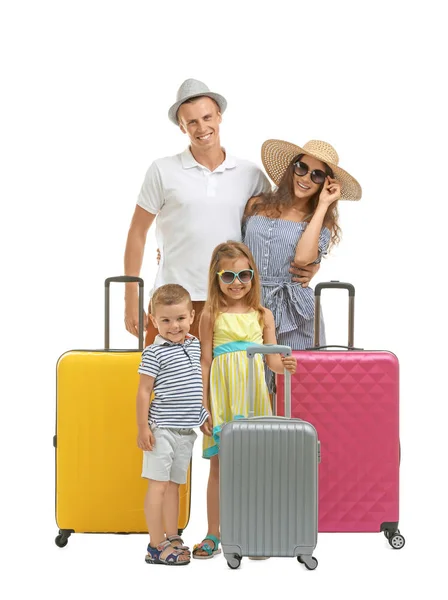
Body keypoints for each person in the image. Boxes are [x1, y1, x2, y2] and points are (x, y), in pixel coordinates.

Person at [124, 79, 317, 345]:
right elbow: (137, 232)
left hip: (232, 300)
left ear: (219, 117)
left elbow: (274, 232)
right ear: (181, 126)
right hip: (175, 301)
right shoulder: (162, 170)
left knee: (231, 381)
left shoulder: (250, 175)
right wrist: (130, 296)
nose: (201, 128)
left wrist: (312, 266)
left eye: (206, 117)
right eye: (191, 122)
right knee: (167, 383)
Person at [192, 241, 297, 559]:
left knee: (257, 467)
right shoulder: (210, 314)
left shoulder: (262, 314)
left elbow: (273, 361)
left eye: (244, 275)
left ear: (253, 276)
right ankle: (214, 532)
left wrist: (285, 365)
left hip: (253, 398)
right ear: (216, 278)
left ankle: (255, 528)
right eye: (228, 276)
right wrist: (203, 404)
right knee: (219, 469)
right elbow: (205, 362)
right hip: (223, 400)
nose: (236, 282)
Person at [243, 139, 362, 386]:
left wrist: (323, 206)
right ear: (292, 168)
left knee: (296, 385)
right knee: (251, 386)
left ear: (326, 183)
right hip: (250, 302)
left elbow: (302, 258)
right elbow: (234, 249)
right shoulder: (257, 204)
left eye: (318, 175)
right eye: (302, 168)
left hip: (295, 310)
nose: (306, 178)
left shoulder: (319, 221)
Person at [136, 283, 209, 566]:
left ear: (192, 316)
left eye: (180, 318)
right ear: (154, 321)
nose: (174, 325)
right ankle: (156, 545)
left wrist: (202, 415)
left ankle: (172, 535)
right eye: (165, 320)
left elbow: (193, 386)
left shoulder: (193, 345)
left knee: (176, 485)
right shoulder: (154, 353)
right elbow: (144, 392)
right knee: (159, 485)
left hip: (185, 432)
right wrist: (143, 427)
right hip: (162, 430)